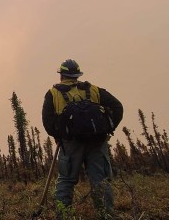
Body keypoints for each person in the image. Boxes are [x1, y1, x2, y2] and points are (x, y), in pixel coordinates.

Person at [42, 59, 124, 218]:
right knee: (101, 180)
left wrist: (59, 135)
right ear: (77, 75)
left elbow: (47, 122)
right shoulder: (93, 90)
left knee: (66, 181)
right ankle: (106, 215)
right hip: (97, 142)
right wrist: (109, 128)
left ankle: (63, 216)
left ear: (61, 75)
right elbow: (117, 106)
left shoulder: (53, 93)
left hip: (70, 144)